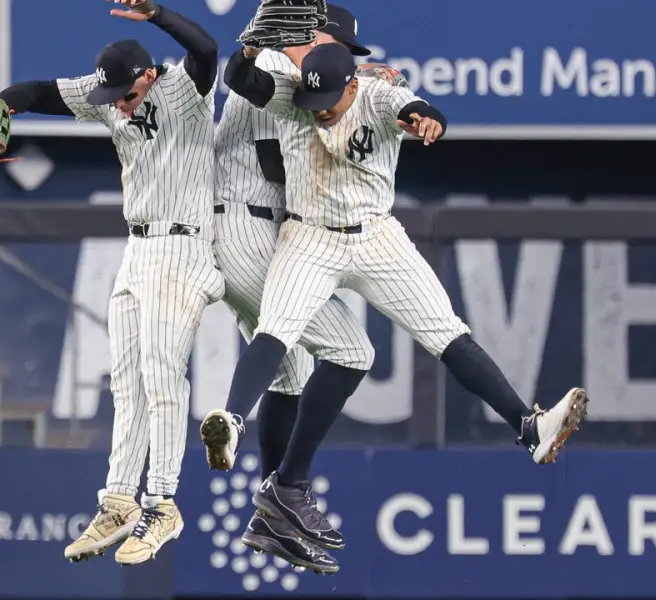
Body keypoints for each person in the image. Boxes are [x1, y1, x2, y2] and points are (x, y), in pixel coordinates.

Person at [217, 39, 590, 555]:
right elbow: (240, 80)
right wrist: (248, 51)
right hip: (309, 237)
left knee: (448, 332)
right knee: (276, 331)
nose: (320, 111)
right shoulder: (295, 96)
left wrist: (427, 120)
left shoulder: (378, 94)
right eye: (313, 102)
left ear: (353, 83)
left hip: (375, 236)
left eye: (330, 100)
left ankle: (529, 428)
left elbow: (417, 110)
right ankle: (231, 422)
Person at [0, 0, 222, 565]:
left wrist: (159, 15)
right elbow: (44, 92)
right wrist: (1, 102)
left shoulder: (183, 91)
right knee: (126, 381)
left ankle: (162, 502)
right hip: (138, 247)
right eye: (109, 95)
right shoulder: (110, 98)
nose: (116, 104)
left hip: (185, 242)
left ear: (147, 76)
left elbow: (208, 49)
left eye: (124, 93)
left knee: (162, 372)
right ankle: (120, 499)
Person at [206, 5, 397, 574]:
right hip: (247, 224)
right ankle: (283, 485)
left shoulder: (286, 70)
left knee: (289, 371)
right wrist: (363, 95)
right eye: (336, 49)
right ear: (315, 39)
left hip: (252, 223)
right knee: (352, 350)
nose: (342, 63)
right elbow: (294, 136)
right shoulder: (270, 63)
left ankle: (273, 516)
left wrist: (358, 86)